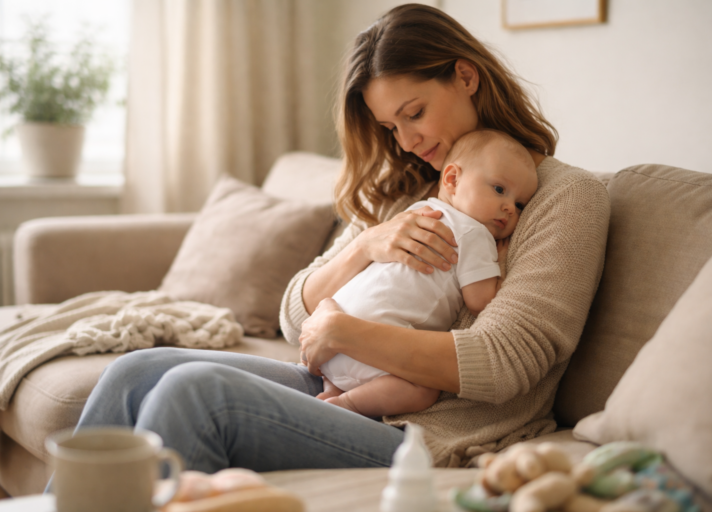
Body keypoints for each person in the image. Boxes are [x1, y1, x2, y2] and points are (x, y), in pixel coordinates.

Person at [61, 3, 609, 478]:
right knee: (135, 371)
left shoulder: (568, 200)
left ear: (465, 76)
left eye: (414, 113)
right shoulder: (409, 190)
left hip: (427, 432)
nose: (409, 140)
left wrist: (344, 328)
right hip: (337, 383)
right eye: (392, 126)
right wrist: (365, 246)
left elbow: (503, 362)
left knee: (196, 393)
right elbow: (296, 322)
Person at [318, 130, 538, 417]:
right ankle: (347, 405)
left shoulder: (418, 211)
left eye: (520, 204)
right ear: (452, 179)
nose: (510, 208)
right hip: (375, 348)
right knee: (423, 390)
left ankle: (331, 389)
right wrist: (502, 263)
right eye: (499, 189)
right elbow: (480, 301)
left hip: (333, 339)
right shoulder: (475, 233)